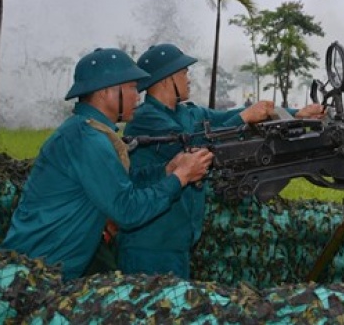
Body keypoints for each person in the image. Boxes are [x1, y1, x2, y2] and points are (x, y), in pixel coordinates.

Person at [0, 47, 213, 280]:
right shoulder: (86, 140)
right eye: (131, 88)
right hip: (37, 272)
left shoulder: (90, 132)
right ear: (105, 93)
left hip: (55, 266)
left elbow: (122, 184)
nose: (137, 95)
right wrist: (179, 178)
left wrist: (167, 169)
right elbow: (127, 210)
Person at [118, 42, 325, 278]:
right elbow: (193, 148)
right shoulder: (147, 119)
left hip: (176, 239)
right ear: (166, 79)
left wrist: (295, 114)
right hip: (149, 243)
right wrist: (244, 117)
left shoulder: (187, 113)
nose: (188, 79)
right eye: (183, 73)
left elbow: (224, 118)